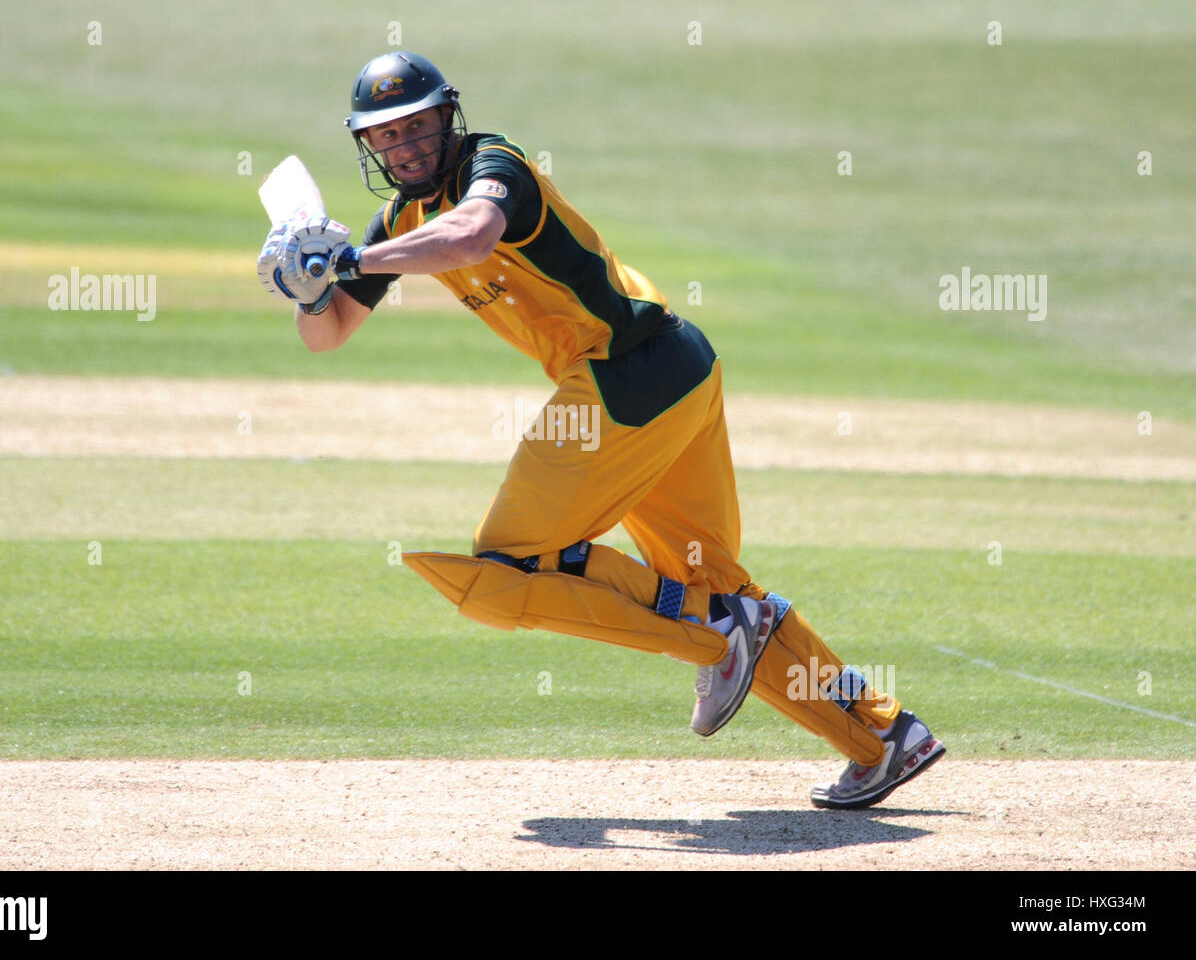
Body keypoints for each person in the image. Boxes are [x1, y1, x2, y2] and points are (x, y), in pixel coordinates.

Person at [256, 52, 945, 808]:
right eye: (388, 136)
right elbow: (325, 335)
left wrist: (350, 254)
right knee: (709, 575)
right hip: (671, 379)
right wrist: (311, 284)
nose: (408, 146)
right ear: (368, 149)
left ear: (447, 117)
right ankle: (881, 737)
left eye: (418, 125)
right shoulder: (398, 222)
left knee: (504, 571)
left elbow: (472, 237)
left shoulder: (496, 165)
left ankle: (714, 626)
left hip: (627, 377)